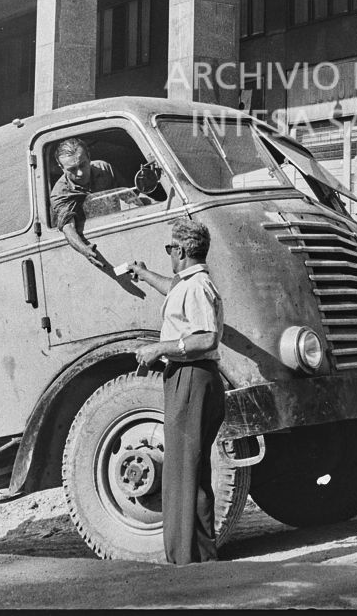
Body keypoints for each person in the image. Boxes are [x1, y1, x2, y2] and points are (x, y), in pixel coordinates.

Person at [129, 219, 225, 565]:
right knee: (192, 472)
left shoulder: (198, 286)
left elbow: (206, 337)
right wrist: (143, 273)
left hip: (191, 377)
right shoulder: (189, 283)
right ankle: (200, 558)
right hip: (193, 378)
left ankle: (183, 562)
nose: (169, 253)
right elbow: (173, 287)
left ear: (181, 251)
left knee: (180, 474)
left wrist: (160, 348)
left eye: (170, 248)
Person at [49, 138, 116, 270]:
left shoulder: (104, 168)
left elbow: (128, 196)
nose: (79, 173)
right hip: (91, 243)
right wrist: (85, 250)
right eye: (72, 169)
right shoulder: (60, 193)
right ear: (61, 168)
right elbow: (68, 227)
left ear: (89, 158)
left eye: (83, 165)